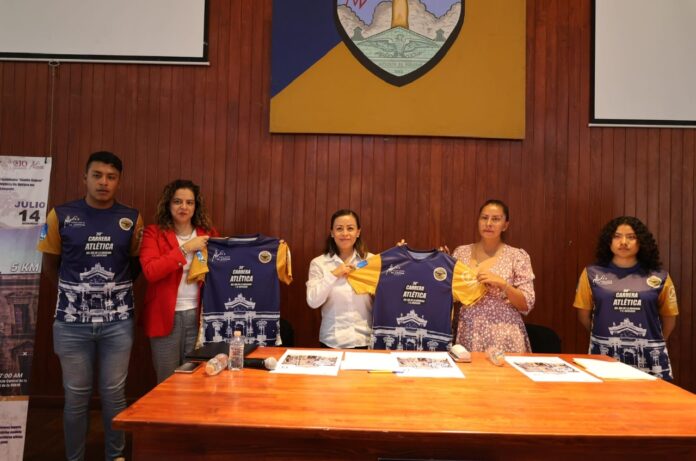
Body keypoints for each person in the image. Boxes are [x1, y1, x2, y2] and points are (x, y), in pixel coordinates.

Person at [37, 151, 143, 461]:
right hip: (71, 324)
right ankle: (75, 458)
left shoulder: (132, 218)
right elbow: (50, 265)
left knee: (114, 394)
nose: (103, 182)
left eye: (111, 177)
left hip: (118, 323)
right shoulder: (60, 215)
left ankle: (115, 455)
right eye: (97, 175)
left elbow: (135, 266)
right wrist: (77, 294)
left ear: (119, 181)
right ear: (85, 178)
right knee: (76, 397)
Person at [573, 216, 678, 380]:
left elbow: (669, 319)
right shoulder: (591, 274)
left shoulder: (660, 277)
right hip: (604, 355)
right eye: (617, 236)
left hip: (649, 357)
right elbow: (584, 316)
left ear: (641, 242)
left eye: (631, 237)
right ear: (608, 241)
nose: (623, 242)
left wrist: (651, 343)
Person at [139, 179, 217, 383]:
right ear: (168, 204)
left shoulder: (208, 234)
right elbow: (151, 271)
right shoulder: (153, 233)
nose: (184, 207)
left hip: (199, 317)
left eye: (189, 202)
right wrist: (186, 248)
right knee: (167, 381)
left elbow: (222, 270)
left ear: (196, 206)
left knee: (197, 380)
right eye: (177, 201)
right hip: (165, 317)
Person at [452, 199, 535, 352]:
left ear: (505, 225)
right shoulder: (461, 253)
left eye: (496, 219)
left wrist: (503, 284)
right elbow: (452, 295)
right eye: (484, 218)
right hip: (468, 331)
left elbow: (526, 304)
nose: (488, 223)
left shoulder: (517, 256)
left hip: (505, 335)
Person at [306, 209, 373, 348]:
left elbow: (389, 290)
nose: (345, 233)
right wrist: (334, 274)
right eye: (339, 229)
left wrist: (401, 254)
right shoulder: (319, 263)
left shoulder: (370, 261)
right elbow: (313, 301)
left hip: (365, 339)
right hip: (333, 341)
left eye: (350, 228)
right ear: (332, 233)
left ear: (358, 232)